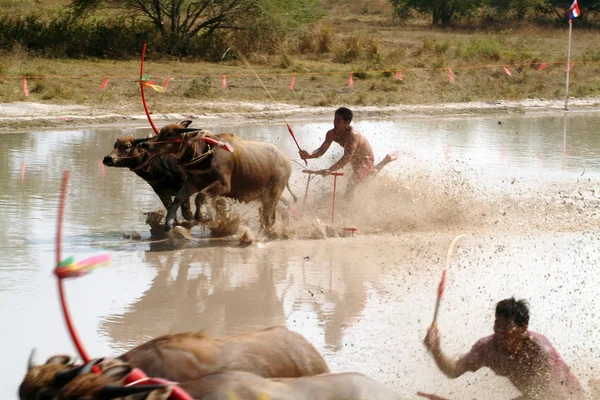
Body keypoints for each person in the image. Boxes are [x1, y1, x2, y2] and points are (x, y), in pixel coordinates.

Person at [423, 297, 583, 400]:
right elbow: (454, 369)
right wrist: (436, 350)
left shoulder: (540, 350)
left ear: (523, 329)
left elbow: (547, 396)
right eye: (497, 326)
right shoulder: (487, 347)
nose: (500, 334)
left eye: (507, 329)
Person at [299, 107, 396, 198]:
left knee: (352, 183)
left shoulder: (352, 136)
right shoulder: (331, 133)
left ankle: (345, 207)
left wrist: (329, 170)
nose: (335, 123)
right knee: (361, 181)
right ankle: (385, 161)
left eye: (338, 120)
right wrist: (309, 155)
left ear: (347, 123)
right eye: (334, 119)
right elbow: (321, 151)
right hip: (354, 158)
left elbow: (346, 158)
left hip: (366, 158)